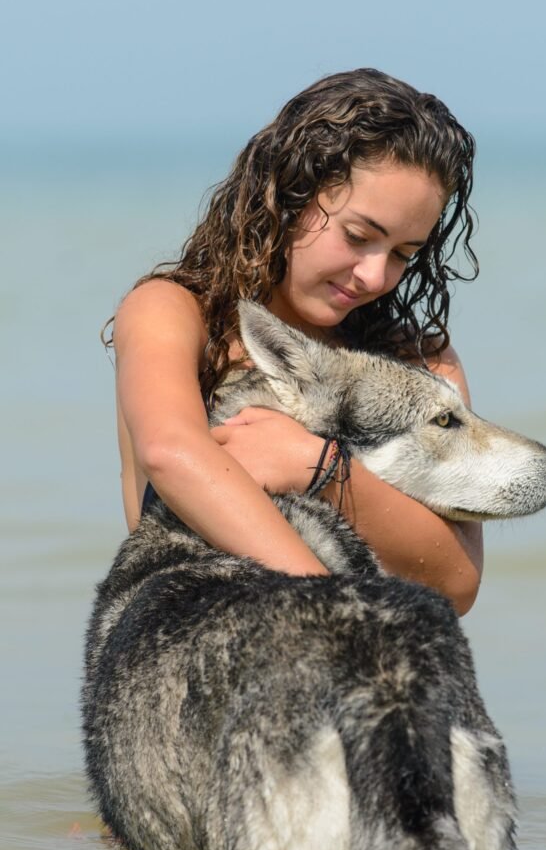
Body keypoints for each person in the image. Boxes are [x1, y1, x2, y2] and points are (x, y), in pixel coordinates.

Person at [107, 68, 484, 614]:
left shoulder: (422, 363)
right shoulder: (173, 312)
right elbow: (169, 453)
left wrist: (318, 467)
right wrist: (322, 607)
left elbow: (458, 582)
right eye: (358, 237)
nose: (375, 277)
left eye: (404, 253)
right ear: (290, 195)